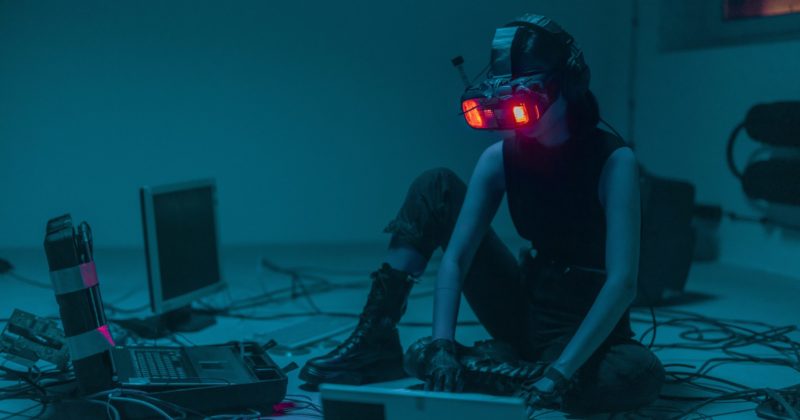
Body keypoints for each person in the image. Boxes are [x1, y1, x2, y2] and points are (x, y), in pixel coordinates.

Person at [300, 14, 664, 414]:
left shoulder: (614, 161)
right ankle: (378, 344)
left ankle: (512, 368)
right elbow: (457, 258)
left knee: (637, 374)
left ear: (567, 85)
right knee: (435, 185)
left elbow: (622, 283)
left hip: (585, 323)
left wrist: (560, 372)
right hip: (526, 304)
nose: (512, 119)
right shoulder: (500, 158)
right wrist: (440, 345)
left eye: (523, 103)